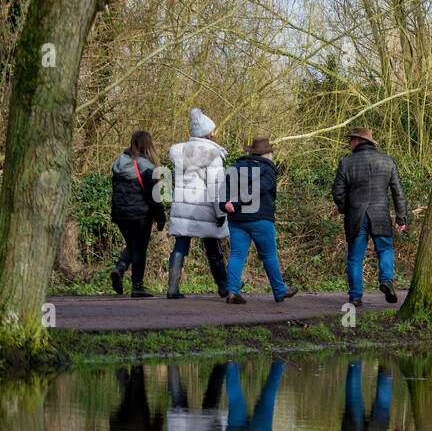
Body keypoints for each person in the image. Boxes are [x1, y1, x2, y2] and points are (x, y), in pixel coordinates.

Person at [331, 127, 408, 305]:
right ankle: (386, 280)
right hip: (380, 215)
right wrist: (401, 218)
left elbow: (338, 192)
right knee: (385, 250)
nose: (349, 143)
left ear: (358, 140)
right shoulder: (387, 161)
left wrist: (345, 208)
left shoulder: (347, 162)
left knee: (355, 257)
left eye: (351, 139)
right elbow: (398, 193)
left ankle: (356, 296)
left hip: (356, 216)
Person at [221, 137, 297, 304]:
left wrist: (225, 204)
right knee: (269, 255)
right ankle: (279, 290)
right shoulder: (268, 169)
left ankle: (233, 291)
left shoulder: (234, 168)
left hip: (237, 219)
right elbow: (259, 187)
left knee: (237, 255)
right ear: (268, 154)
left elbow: (223, 191)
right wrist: (237, 201)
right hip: (260, 218)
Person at [167, 108, 229, 299]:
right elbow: (215, 186)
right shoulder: (213, 154)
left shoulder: (181, 152)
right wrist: (220, 213)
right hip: (205, 207)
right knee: (213, 247)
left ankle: (172, 288)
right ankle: (224, 287)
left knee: (181, 245)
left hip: (183, 205)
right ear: (208, 133)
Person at [108, 130, 165, 297]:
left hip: (120, 213)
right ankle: (137, 287)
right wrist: (160, 217)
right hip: (140, 214)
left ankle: (120, 268)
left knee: (133, 246)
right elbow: (154, 196)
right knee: (139, 249)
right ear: (148, 145)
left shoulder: (120, 162)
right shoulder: (146, 166)